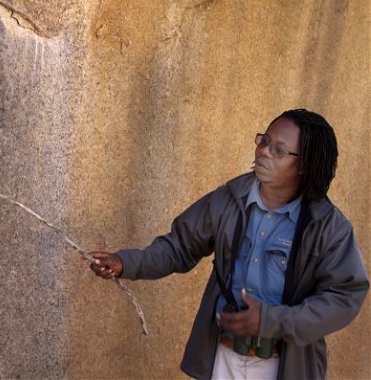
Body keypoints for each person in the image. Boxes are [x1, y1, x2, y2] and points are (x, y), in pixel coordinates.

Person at [89, 109, 369, 379]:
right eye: (264, 141)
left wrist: (276, 321)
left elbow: (345, 295)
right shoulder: (229, 200)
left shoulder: (327, 226)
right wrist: (126, 262)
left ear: (305, 165)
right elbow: (180, 245)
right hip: (223, 361)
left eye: (279, 150)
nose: (263, 152)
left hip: (283, 366)